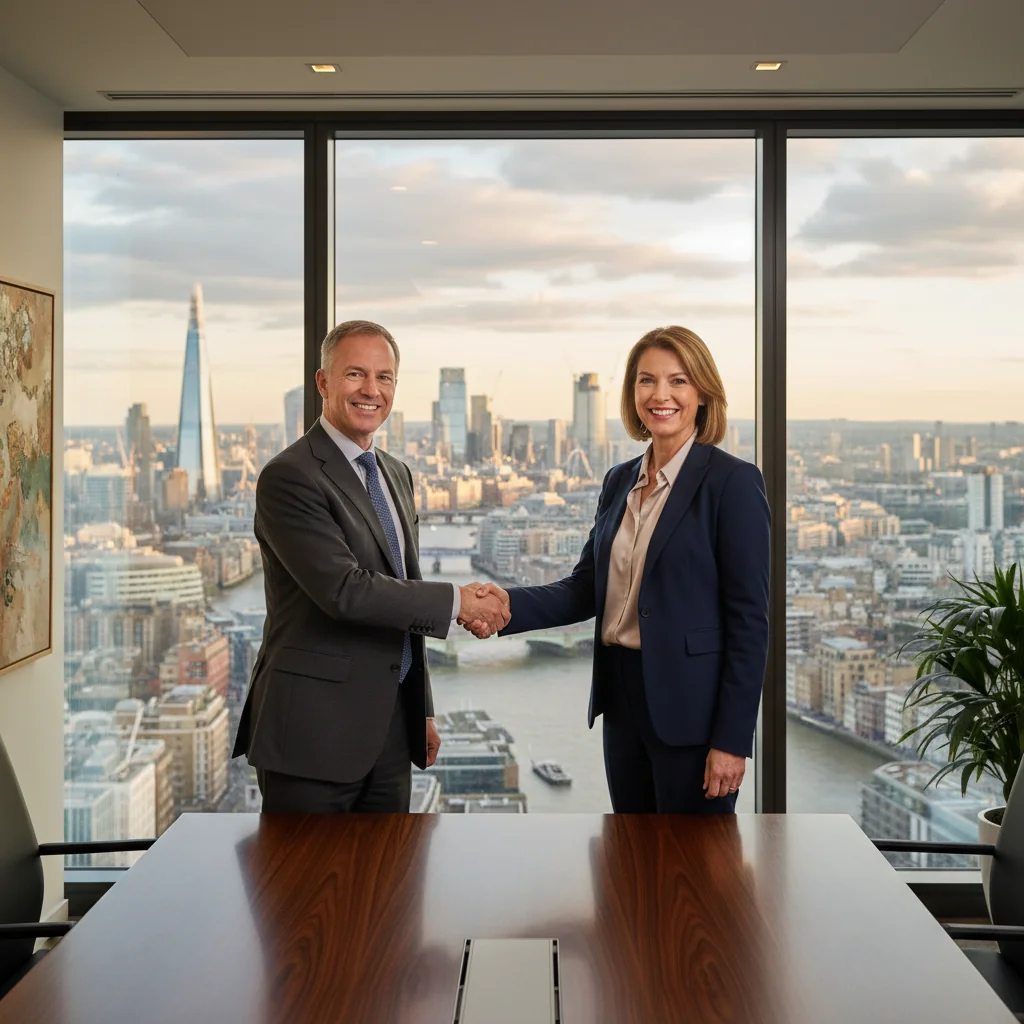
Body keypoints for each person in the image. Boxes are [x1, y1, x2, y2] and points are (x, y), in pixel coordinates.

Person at [467, 326, 769, 813]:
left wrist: (732, 740)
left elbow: (749, 622)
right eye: (647, 380)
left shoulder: (732, 483)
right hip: (622, 701)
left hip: (691, 710)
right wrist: (506, 605)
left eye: (678, 381)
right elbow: (587, 588)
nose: (661, 395)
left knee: (694, 857)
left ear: (703, 394)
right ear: (632, 393)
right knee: (628, 849)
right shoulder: (619, 480)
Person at [233, 320, 509, 813]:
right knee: (306, 867)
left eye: (384, 377)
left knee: (387, 865)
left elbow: (404, 590)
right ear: (323, 382)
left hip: (391, 731)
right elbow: (345, 591)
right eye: (355, 374)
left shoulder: (396, 474)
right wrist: (459, 601)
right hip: (312, 734)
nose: (371, 390)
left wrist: (421, 709)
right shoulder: (289, 476)